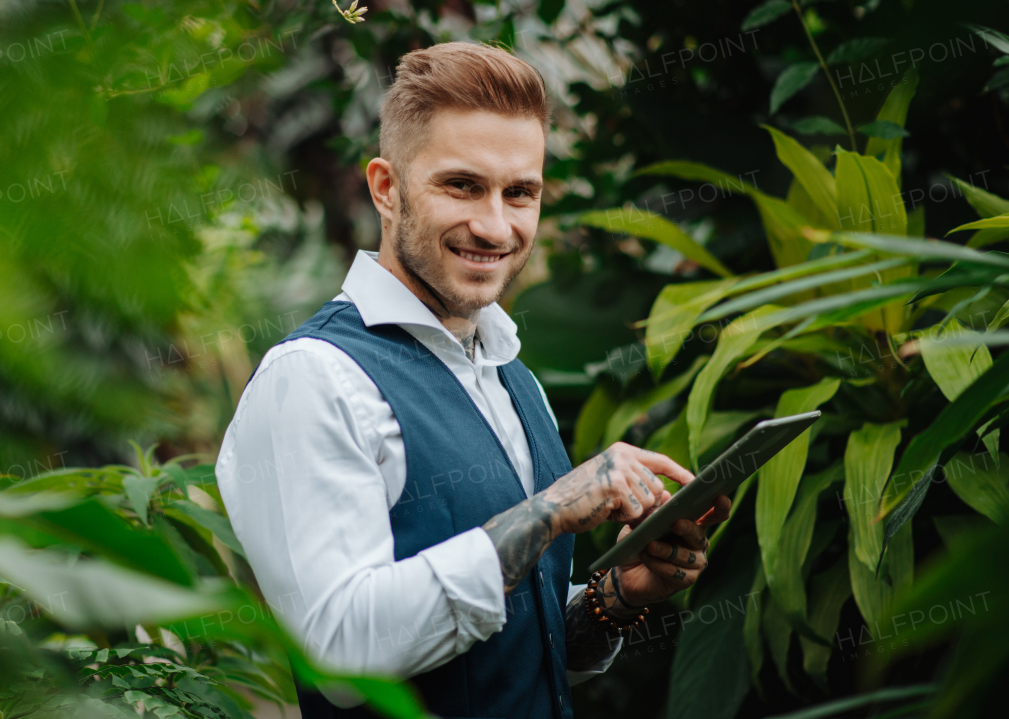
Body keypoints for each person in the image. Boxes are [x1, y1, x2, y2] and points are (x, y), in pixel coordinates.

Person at [216, 42, 730, 718]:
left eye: (520, 193)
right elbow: (341, 652)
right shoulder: (312, 379)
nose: (494, 225)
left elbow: (513, 646)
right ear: (386, 188)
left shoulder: (513, 378)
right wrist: (544, 514)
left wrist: (615, 597)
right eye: (463, 186)